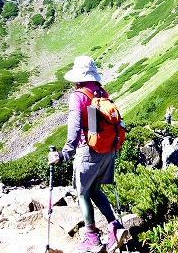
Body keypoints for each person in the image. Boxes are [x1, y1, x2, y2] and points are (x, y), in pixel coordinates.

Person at [48, 55, 128, 253]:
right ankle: (115, 228)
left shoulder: (78, 96)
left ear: (78, 76)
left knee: (82, 193)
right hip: (108, 151)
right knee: (95, 190)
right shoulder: (101, 91)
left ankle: (92, 238)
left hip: (89, 152)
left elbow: (74, 129)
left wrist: (64, 154)